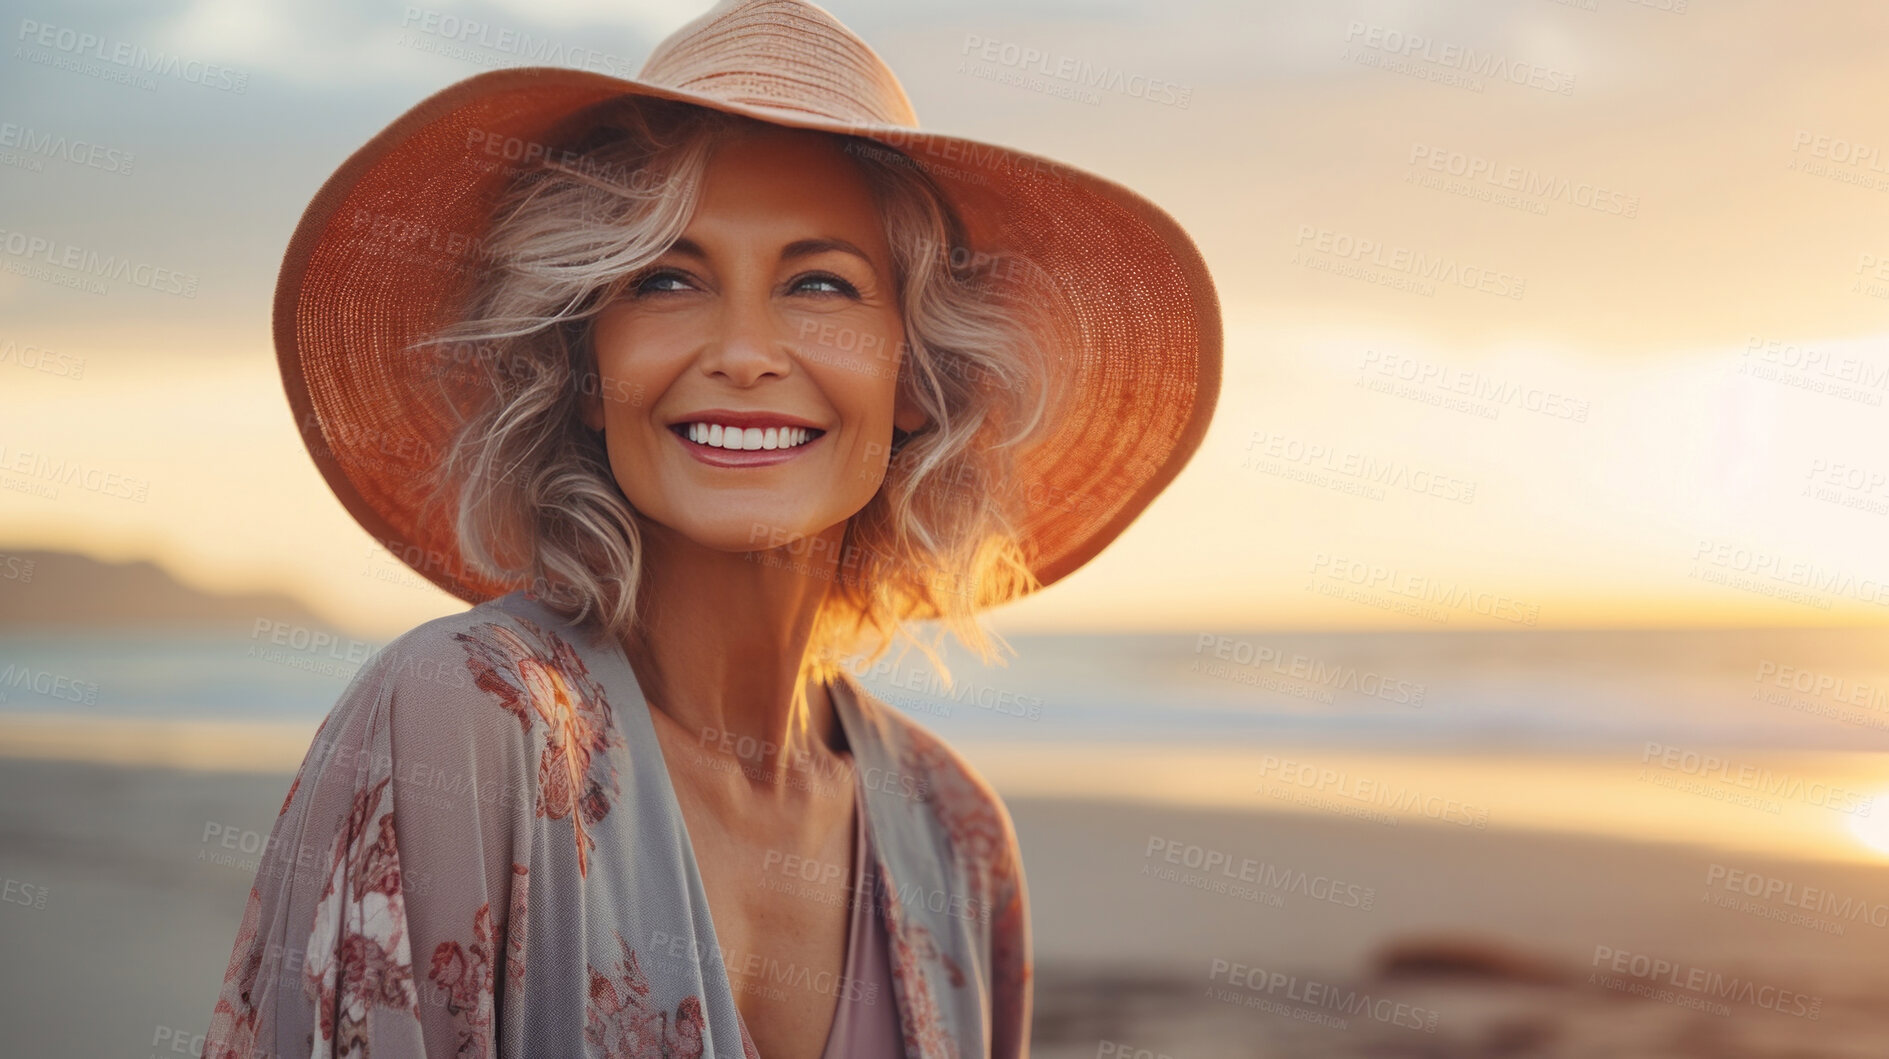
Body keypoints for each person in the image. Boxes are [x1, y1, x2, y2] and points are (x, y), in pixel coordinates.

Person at [200, 1, 1220, 1056]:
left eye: (820, 283)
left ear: (914, 377)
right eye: (665, 279)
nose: (743, 351)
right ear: (587, 371)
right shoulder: (470, 720)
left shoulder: (956, 835)